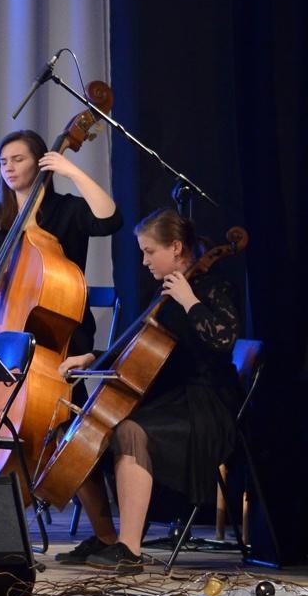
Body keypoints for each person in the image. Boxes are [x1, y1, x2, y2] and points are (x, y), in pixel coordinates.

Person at [60, 209, 240, 573]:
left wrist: (190, 300)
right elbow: (135, 345)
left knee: (129, 429)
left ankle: (130, 548)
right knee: (86, 432)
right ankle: (108, 537)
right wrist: (92, 357)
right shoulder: (166, 289)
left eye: (149, 251)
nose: (143, 261)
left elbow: (225, 340)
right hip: (170, 401)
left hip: (206, 406)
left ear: (176, 247)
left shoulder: (209, 286)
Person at [0, 129, 122, 377]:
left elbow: (110, 221)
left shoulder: (67, 209)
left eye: (18, 159)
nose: (9, 167)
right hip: (4, 327)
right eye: (3, 161)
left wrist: (73, 172)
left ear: (41, 162)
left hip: (57, 332)